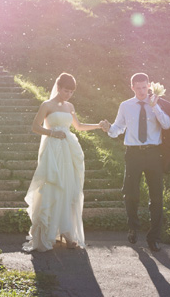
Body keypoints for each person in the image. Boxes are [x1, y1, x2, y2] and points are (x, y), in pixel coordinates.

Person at [22, 73, 107, 252]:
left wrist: (98, 126)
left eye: (71, 92)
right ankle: (48, 233)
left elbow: (78, 126)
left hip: (69, 149)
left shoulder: (70, 106)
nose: (68, 94)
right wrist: (52, 133)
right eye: (65, 90)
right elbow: (35, 127)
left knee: (69, 187)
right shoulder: (47, 105)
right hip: (53, 148)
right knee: (53, 186)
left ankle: (68, 233)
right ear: (58, 87)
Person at [101, 72, 170, 252]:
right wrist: (109, 129)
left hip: (154, 154)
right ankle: (133, 226)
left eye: (144, 87)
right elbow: (118, 128)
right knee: (130, 193)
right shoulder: (125, 106)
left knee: (156, 197)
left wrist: (155, 107)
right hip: (133, 155)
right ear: (132, 87)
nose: (141, 91)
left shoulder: (158, 103)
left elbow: (167, 125)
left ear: (149, 86)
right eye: (138, 88)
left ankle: (154, 237)